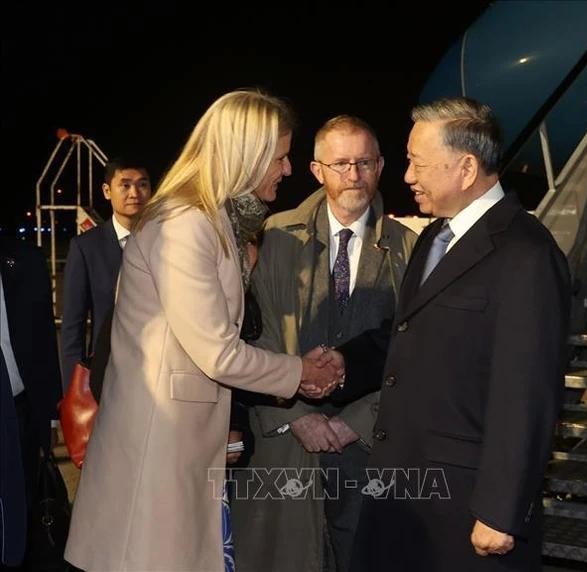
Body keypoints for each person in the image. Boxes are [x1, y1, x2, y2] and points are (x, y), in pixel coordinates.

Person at [63, 89, 341, 572]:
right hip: (158, 452)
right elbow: (217, 352)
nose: (287, 169)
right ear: (244, 155)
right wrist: (300, 372)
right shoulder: (185, 224)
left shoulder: (211, 222)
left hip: (179, 448)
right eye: (279, 156)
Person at [330, 97, 571, 571]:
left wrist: (501, 510)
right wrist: (342, 364)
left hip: (464, 508)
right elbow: (412, 334)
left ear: (465, 167)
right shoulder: (432, 239)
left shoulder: (526, 254)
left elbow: (527, 392)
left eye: (417, 163)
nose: (407, 176)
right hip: (400, 493)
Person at [232, 115, 417, 572]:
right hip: (285, 449)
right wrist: (296, 415)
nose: (353, 175)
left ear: (381, 165)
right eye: (340, 164)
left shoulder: (411, 250)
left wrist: (357, 420)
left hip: (369, 449)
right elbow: (253, 336)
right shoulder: (274, 238)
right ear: (316, 171)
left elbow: (412, 350)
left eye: (364, 162)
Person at [60, 157, 152, 388]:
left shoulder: (168, 242)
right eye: (125, 185)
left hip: (159, 373)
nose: (135, 193)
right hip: (108, 376)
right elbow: (73, 326)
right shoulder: (85, 248)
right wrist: (74, 389)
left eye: (143, 184)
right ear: (107, 191)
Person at [0, 237, 62, 568]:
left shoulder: (23, 258)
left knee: (19, 505)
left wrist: (50, 417)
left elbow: (43, 342)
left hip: (19, 409)